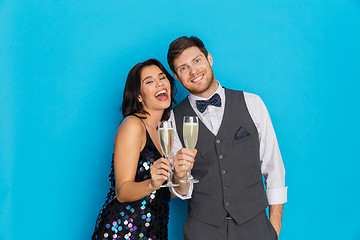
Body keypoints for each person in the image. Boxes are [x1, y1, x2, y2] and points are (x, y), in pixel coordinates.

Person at [168, 36, 287, 240]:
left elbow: (274, 168)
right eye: (183, 68)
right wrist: (178, 176)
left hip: (255, 228)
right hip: (202, 230)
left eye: (197, 61)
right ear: (177, 77)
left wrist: (273, 230)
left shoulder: (252, 103)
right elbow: (180, 191)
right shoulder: (172, 118)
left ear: (209, 59)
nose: (194, 71)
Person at [91, 59, 193, 240]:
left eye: (162, 78)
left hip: (155, 231)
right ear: (139, 95)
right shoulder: (133, 126)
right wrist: (152, 184)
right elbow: (122, 192)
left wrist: (181, 173)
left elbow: (166, 193)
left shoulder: (165, 130)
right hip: (124, 231)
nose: (160, 83)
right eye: (149, 81)